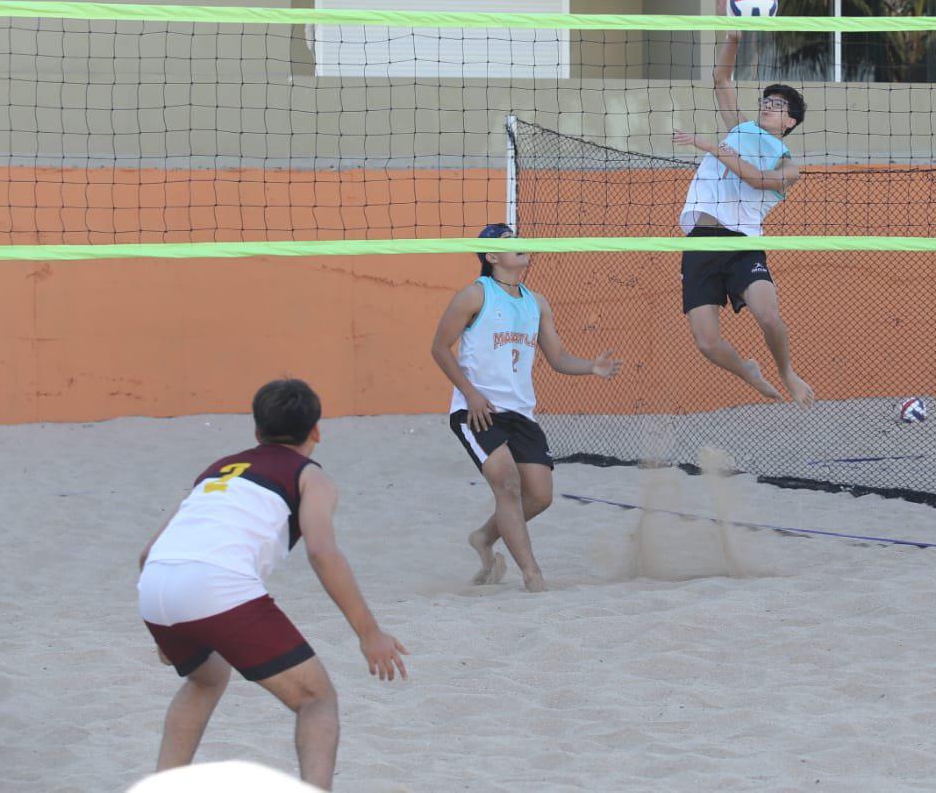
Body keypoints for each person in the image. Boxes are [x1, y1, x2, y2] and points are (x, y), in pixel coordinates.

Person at [137, 379, 408, 790]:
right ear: (316, 430)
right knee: (316, 700)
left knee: (206, 678)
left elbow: (147, 555)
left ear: (257, 432)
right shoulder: (310, 477)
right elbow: (322, 552)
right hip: (218, 586)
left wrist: (167, 627)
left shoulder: (217, 469)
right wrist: (369, 633)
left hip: (156, 585)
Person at [431, 224, 622, 592]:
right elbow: (439, 348)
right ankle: (532, 576)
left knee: (540, 496)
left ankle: (484, 538)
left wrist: (591, 367)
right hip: (478, 410)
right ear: (491, 257)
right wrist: (469, 393)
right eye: (508, 242)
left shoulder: (537, 302)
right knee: (507, 483)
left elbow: (559, 358)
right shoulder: (474, 295)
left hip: (521, 413)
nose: (519, 244)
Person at [672, 24, 815, 407]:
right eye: (766, 100)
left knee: (768, 316)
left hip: (742, 242)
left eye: (778, 105)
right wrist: (734, 39)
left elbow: (755, 178)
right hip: (702, 240)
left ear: (791, 123)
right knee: (706, 343)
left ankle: (787, 372)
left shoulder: (789, 167)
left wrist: (709, 146)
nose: (769, 105)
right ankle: (749, 371)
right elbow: (720, 79)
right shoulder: (740, 128)